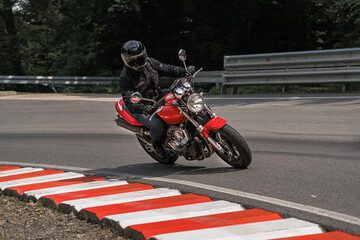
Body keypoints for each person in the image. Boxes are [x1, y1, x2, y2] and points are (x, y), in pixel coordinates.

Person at [119, 40, 195, 159]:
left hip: (157, 95)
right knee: (158, 125)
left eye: (139, 59)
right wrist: (144, 108)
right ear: (125, 60)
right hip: (143, 106)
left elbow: (166, 68)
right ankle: (156, 144)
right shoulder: (125, 78)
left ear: (144, 55)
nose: (137, 63)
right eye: (132, 60)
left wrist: (184, 71)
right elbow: (129, 102)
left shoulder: (149, 62)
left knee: (184, 95)